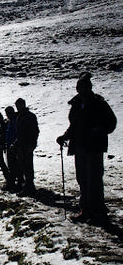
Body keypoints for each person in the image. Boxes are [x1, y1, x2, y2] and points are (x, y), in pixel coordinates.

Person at [56, 72, 117, 226]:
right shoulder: (77, 105)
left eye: (84, 87)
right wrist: (65, 136)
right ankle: (86, 210)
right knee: (82, 179)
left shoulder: (98, 103)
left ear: (89, 88)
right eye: (80, 87)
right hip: (80, 147)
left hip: (94, 147)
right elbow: (74, 125)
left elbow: (111, 122)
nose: (81, 90)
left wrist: (99, 130)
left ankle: (98, 212)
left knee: (94, 180)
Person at [14, 98, 40, 197]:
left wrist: (32, 144)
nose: (18, 107)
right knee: (24, 166)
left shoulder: (29, 116)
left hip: (27, 144)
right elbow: (19, 133)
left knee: (28, 166)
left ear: (23, 105)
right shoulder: (19, 116)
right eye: (17, 105)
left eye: (19, 105)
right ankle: (29, 186)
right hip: (21, 145)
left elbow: (35, 131)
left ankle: (29, 187)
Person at [5, 106, 23, 190]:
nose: (7, 115)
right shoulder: (11, 121)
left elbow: (17, 133)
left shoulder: (15, 121)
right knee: (12, 165)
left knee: (15, 165)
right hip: (10, 146)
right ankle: (15, 182)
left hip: (15, 146)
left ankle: (18, 183)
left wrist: (14, 144)